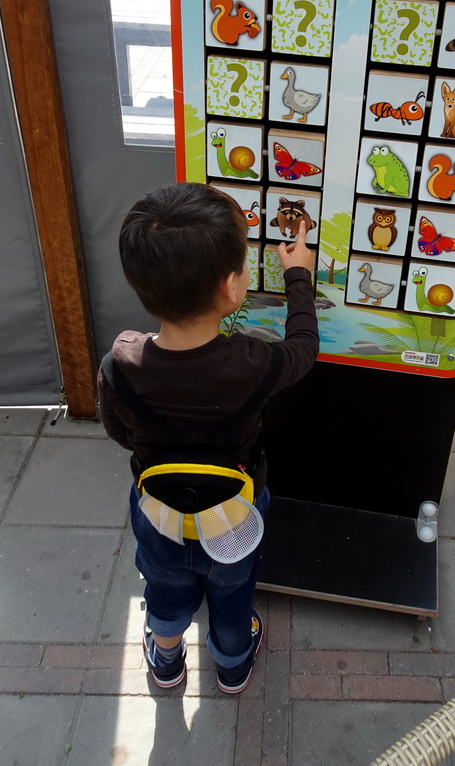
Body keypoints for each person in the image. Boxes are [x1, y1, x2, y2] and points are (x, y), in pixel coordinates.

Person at [98, 181, 318, 693]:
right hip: (235, 515)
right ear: (231, 288)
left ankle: (167, 659)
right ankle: (233, 665)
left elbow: (117, 431)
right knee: (234, 593)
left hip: (158, 512)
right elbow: (304, 348)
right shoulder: (252, 362)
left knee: (165, 589)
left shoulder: (120, 362)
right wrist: (298, 277)